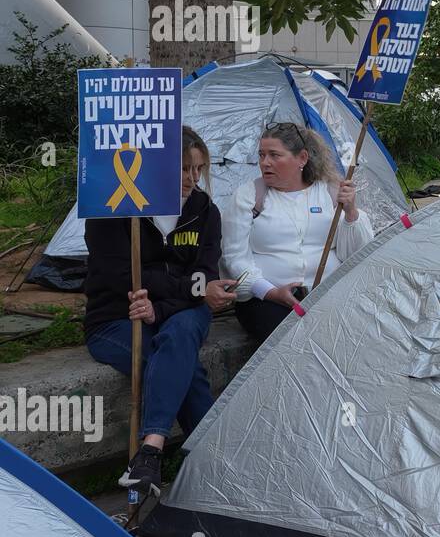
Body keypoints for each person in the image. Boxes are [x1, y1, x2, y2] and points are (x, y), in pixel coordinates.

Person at [84, 126, 239, 496]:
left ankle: (149, 453)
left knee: (181, 332)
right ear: (155, 167)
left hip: (181, 313)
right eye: (184, 168)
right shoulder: (113, 210)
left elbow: (205, 276)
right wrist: (181, 290)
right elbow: (120, 274)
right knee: (175, 357)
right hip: (117, 319)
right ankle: (212, 465)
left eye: (199, 168)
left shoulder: (205, 211)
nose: (192, 178)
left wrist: (162, 304)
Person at [221, 123, 373, 345]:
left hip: (328, 294)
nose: (265, 163)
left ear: (302, 158)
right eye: (261, 155)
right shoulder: (248, 196)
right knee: (292, 342)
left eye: (274, 155)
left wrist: (350, 211)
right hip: (266, 302)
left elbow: (358, 254)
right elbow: (234, 257)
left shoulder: (331, 192)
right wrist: (271, 292)